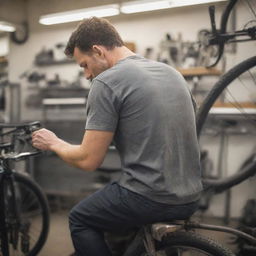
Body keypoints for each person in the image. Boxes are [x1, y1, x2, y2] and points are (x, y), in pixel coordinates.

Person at [32, 17, 202, 256]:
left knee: (81, 218)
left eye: (84, 65)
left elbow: (88, 160)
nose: (86, 74)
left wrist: (54, 143)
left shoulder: (106, 82)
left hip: (148, 198)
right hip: (191, 195)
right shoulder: (172, 73)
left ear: (98, 51)